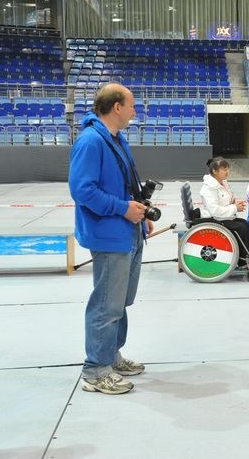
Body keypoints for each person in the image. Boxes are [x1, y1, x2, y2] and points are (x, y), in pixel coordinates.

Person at [69, 83, 153, 395]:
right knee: (106, 304)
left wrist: (139, 216)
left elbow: (127, 186)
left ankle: (111, 356)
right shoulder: (91, 142)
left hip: (127, 230)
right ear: (116, 107)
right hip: (108, 234)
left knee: (120, 302)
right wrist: (122, 209)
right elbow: (82, 190)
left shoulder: (116, 140)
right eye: (131, 105)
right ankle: (95, 371)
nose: (135, 111)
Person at [200, 156, 249, 268]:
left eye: (227, 168)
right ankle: (243, 259)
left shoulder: (223, 183)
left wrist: (234, 202)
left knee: (244, 223)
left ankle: (248, 255)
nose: (227, 171)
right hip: (214, 220)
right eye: (224, 169)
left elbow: (227, 199)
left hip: (223, 217)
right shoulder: (208, 188)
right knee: (240, 228)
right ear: (214, 171)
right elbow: (215, 211)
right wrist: (234, 208)